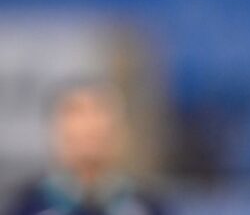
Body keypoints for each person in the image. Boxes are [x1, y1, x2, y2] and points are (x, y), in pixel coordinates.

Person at [5, 80, 164, 215]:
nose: (89, 124)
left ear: (122, 132)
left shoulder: (148, 206)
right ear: (54, 130)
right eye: (75, 112)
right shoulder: (26, 205)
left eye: (100, 111)